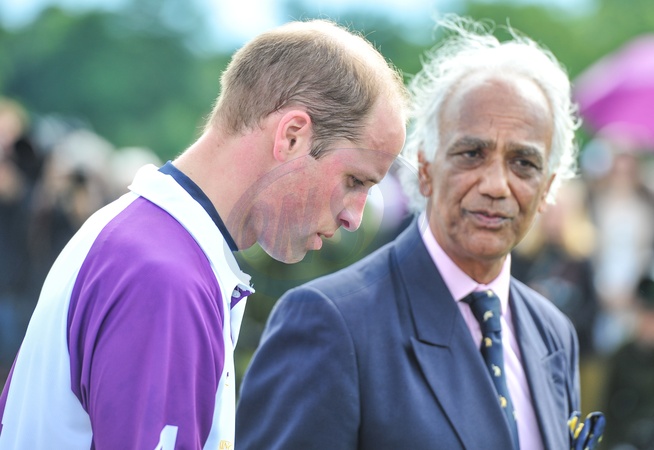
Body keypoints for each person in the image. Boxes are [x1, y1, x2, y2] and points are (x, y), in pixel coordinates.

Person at [0, 19, 408, 449]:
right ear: (292, 137)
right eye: (355, 181)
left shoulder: (142, 239)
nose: (355, 217)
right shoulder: (164, 276)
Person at [236, 15, 587, 449]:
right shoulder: (331, 323)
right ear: (424, 168)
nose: (496, 185)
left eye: (523, 163)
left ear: (548, 187)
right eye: (472, 154)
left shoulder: (552, 333)